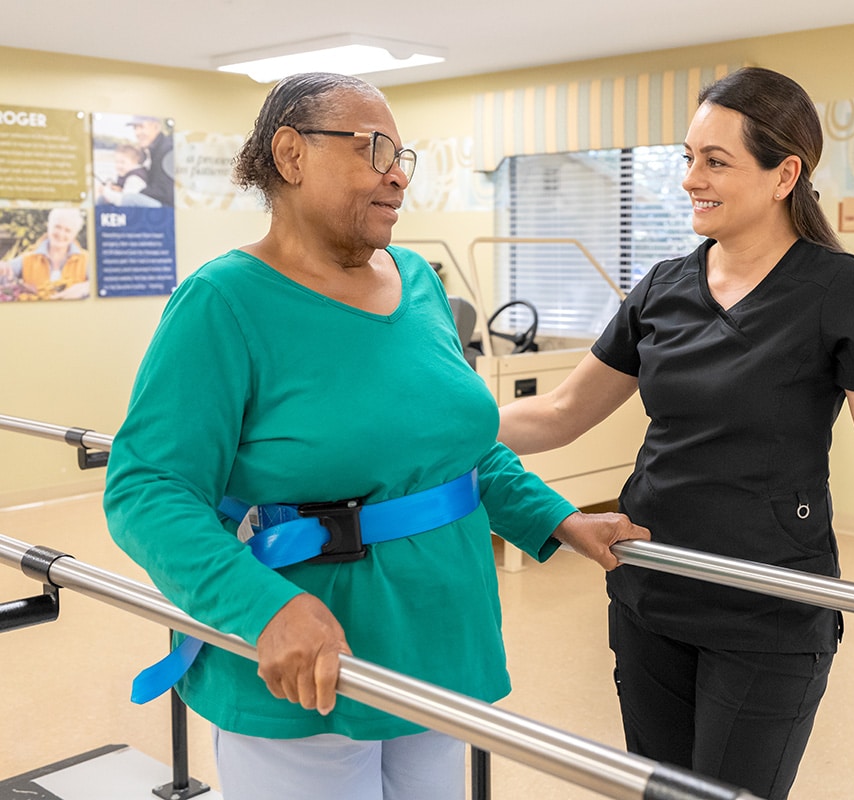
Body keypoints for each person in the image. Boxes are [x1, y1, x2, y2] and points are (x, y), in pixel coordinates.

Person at [103, 72, 649, 800]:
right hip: (309, 661)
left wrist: (559, 518)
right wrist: (265, 608)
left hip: (439, 641)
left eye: (404, 157)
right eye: (375, 149)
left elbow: (460, 450)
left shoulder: (418, 282)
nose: (398, 174)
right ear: (291, 155)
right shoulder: (222, 304)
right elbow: (148, 490)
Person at [498, 66, 854, 800]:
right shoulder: (661, 287)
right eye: (688, 158)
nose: (690, 180)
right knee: (663, 793)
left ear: (785, 176)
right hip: (651, 592)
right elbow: (559, 413)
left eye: (715, 162)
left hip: (767, 607)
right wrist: (439, 423)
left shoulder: (841, 288)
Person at [0, 206, 89, 299]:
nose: (61, 234)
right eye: (57, 227)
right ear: (49, 226)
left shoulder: (86, 260)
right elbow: (5, 274)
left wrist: (86, 287)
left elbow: (102, 282)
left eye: (67, 230)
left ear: (74, 234)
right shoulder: (28, 258)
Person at [122, 115, 174, 207]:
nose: (137, 133)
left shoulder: (168, 150)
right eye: (135, 128)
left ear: (156, 127)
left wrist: (138, 192)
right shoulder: (150, 151)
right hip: (158, 203)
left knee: (129, 199)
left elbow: (167, 192)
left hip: (169, 210)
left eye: (141, 127)